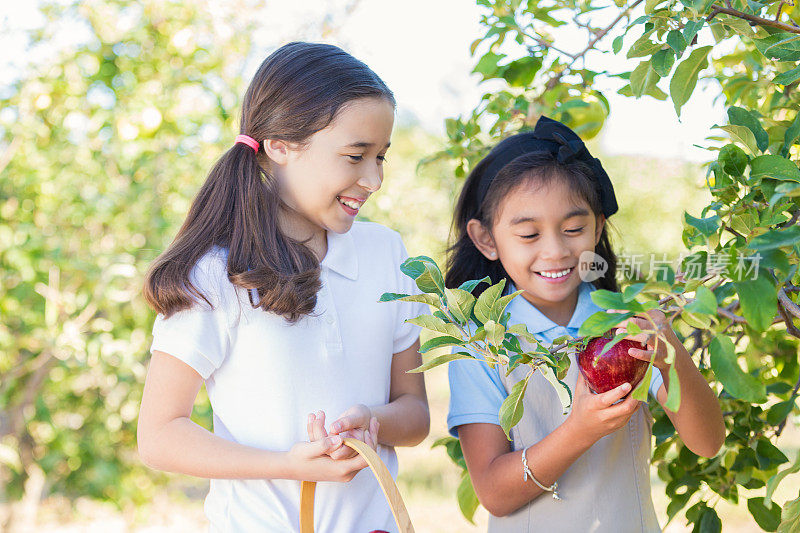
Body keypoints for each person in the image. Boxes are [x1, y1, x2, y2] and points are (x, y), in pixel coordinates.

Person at [137, 42, 429, 533]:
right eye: (356, 155)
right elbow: (160, 435)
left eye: (382, 157)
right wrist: (289, 466)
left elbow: (415, 414)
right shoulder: (216, 274)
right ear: (279, 146)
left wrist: (370, 420)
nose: (374, 178)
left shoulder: (387, 254)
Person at [445, 116, 725, 532]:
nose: (556, 251)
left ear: (598, 227)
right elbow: (494, 493)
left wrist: (671, 356)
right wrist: (579, 431)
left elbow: (708, 442)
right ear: (486, 239)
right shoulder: (481, 344)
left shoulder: (625, 323)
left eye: (574, 228)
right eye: (528, 234)